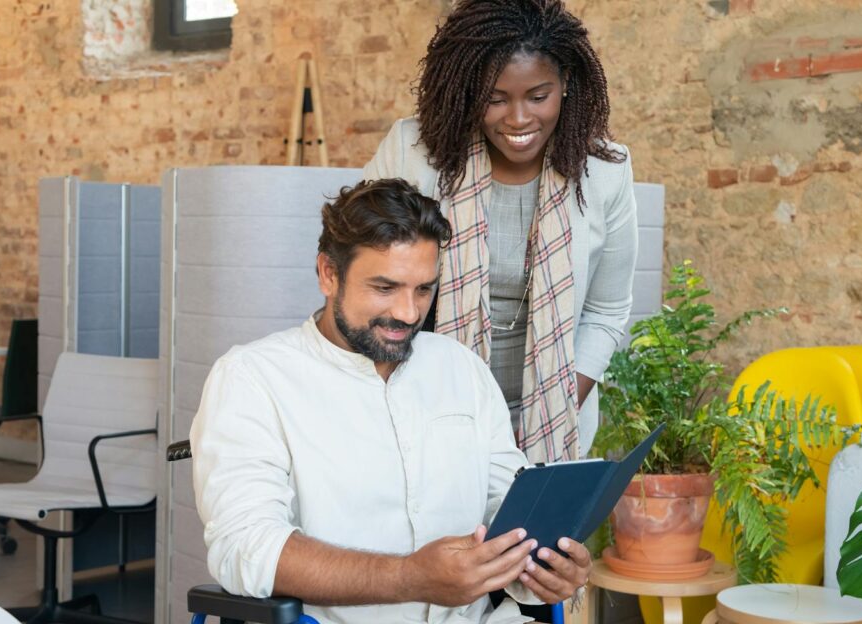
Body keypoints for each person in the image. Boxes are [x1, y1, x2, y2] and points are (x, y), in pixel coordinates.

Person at [189, 179, 591, 624]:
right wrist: (409, 576)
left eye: (423, 289)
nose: (408, 313)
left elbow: (507, 510)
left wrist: (545, 568)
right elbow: (246, 547)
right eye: (385, 288)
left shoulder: (462, 368)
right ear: (328, 273)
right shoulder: (253, 378)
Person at [363, 0, 638, 466]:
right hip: (422, 414)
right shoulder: (413, 156)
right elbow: (362, 281)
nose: (517, 119)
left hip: (549, 421)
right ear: (470, 90)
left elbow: (607, 311)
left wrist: (544, 410)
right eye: (495, 98)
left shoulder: (605, 173)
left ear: (566, 83)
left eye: (537, 96)